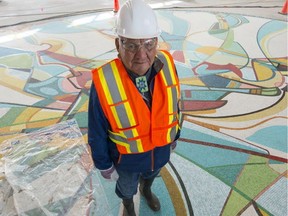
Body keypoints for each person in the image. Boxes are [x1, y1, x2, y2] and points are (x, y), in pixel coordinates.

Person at [88, 0, 180, 215]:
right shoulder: (104, 81)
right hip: (127, 160)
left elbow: (176, 103)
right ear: (117, 45)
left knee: (151, 175)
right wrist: (103, 164)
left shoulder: (166, 63)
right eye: (130, 45)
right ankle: (128, 203)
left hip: (160, 150)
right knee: (126, 188)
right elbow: (96, 129)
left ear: (156, 42)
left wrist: (174, 136)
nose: (141, 54)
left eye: (148, 43)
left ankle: (146, 189)